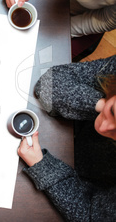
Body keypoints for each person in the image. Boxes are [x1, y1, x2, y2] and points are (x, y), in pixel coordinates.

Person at [17, 55, 116, 221]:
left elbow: (90, 216)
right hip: (67, 135)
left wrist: (43, 167)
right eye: (113, 112)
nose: (103, 128)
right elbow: (49, 84)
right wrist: (100, 105)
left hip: (85, 183)